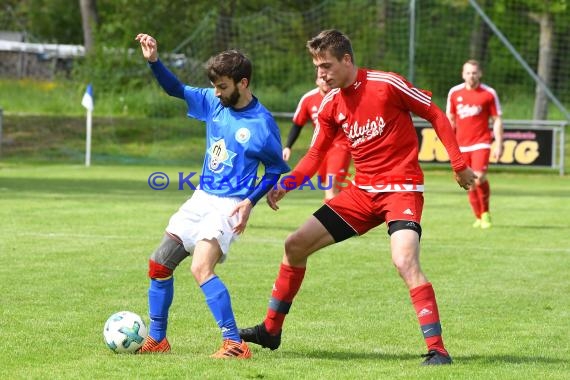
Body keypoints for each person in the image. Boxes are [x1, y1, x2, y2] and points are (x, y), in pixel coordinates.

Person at [239, 29, 476, 366]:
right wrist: (287, 184)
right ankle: (270, 330)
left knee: (404, 261)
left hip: (401, 189)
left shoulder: (386, 84)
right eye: (317, 67)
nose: (320, 74)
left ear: (347, 60)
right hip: (361, 194)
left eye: (326, 66)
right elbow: (315, 154)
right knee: (294, 244)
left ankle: (438, 349)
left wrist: (459, 164)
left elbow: (436, 114)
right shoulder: (329, 104)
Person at [134, 33, 290, 359]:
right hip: (202, 196)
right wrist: (154, 61)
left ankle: (234, 343)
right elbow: (175, 89)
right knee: (158, 264)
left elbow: (275, 170)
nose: (216, 93)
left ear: (242, 83)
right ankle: (158, 339)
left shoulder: (262, 125)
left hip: (230, 204)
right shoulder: (212, 102)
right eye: (214, 86)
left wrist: (250, 202)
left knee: (201, 269)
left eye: (222, 87)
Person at [446, 59, 503, 229]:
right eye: (468, 73)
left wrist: (499, 143)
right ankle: (478, 217)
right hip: (461, 145)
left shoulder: (488, 93)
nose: (471, 76)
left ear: (480, 74)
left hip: (481, 143)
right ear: (463, 74)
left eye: (474, 72)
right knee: (468, 182)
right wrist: (449, 143)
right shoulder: (454, 93)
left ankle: (485, 213)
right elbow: (450, 119)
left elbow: (497, 119)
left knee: (479, 177)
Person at [283, 77, 351, 200]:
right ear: (316, 81)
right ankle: (346, 210)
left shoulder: (342, 96)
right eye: (321, 78)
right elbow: (298, 124)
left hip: (341, 147)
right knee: (328, 186)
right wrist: (288, 146)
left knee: (331, 187)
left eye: (327, 79)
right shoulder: (308, 98)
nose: (325, 81)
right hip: (321, 148)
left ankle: (331, 218)